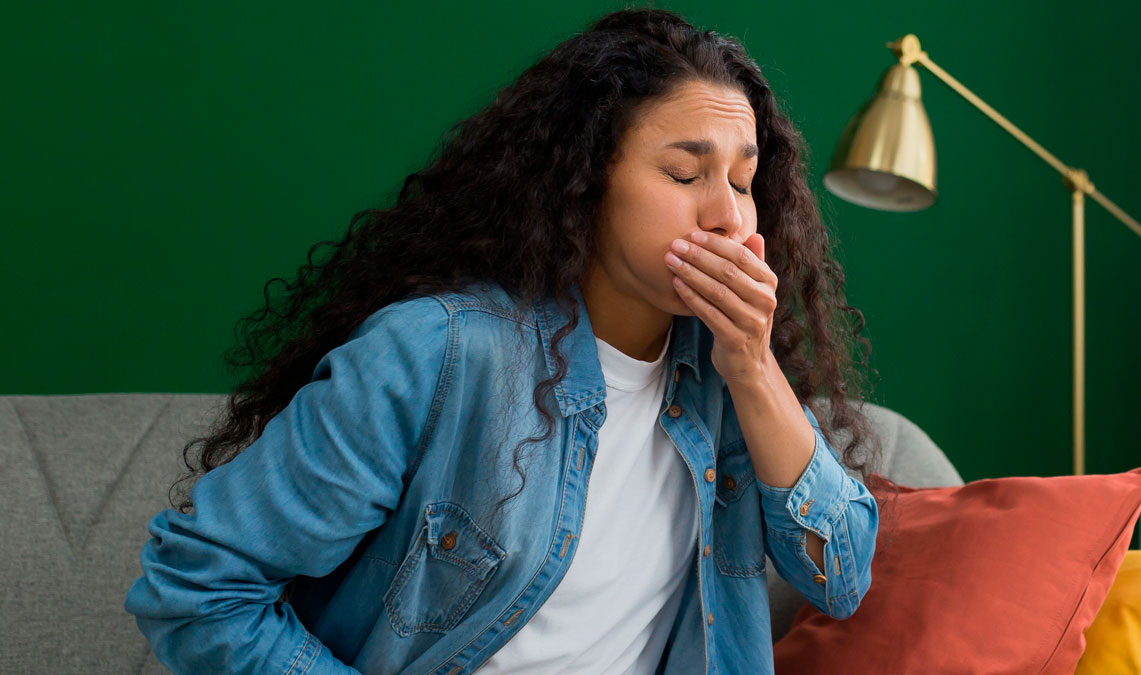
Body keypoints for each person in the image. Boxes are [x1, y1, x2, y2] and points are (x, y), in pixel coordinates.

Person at [125, 7, 894, 674]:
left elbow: (841, 577)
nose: (726, 216)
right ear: (585, 182)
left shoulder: (727, 376)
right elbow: (196, 587)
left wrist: (754, 368)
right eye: (684, 174)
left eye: (742, 181)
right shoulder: (435, 355)